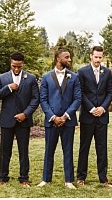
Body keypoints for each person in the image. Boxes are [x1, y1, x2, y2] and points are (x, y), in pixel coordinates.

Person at [0, 52, 39, 188]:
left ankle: (24, 178)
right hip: (7, 120)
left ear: (22, 64)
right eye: (14, 66)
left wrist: (26, 114)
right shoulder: (2, 78)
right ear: (10, 63)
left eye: (19, 66)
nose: (16, 69)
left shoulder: (31, 78)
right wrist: (8, 88)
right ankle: (3, 177)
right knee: (4, 151)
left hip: (24, 121)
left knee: (23, 151)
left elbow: (36, 99)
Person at [37, 48, 81, 189]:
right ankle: (46, 179)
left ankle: (69, 180)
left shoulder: (74, 77)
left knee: (68, 150)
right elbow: (43, 100)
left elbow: (77, 98)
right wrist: (53, 116)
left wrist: (66, 116)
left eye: (70, 57)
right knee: (49, 150)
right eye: (66, 57)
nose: (69, 59)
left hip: (68, 121)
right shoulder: (46, 77)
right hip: (52, 121)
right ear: (58, 59)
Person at [76, 46, 112, 187]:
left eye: (100, 57)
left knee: (102, 148)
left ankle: (103, 179)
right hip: (87, 116)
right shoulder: (82, 72)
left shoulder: (107, 72)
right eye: (96, 57)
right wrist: (92, 109)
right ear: (91, 56)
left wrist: (103, 108)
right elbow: (81, 93)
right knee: (84, 147)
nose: (98, 59)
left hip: (102, 117)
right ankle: (81, 177)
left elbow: (110, 92)